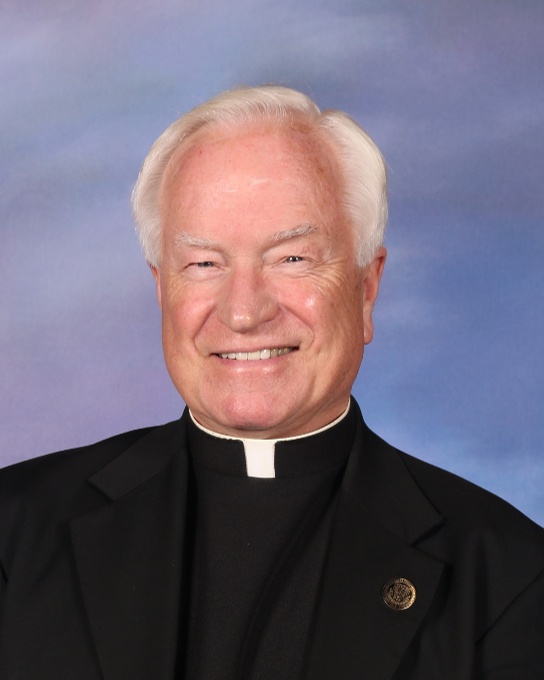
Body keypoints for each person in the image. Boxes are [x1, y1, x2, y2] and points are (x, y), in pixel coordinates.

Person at [0, 85, 543, 680]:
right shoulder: (13, 532)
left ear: (366, 288)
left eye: (292, 259)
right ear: (161, 288)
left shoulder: (509, 580)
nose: (243, 312)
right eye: (203, 264)